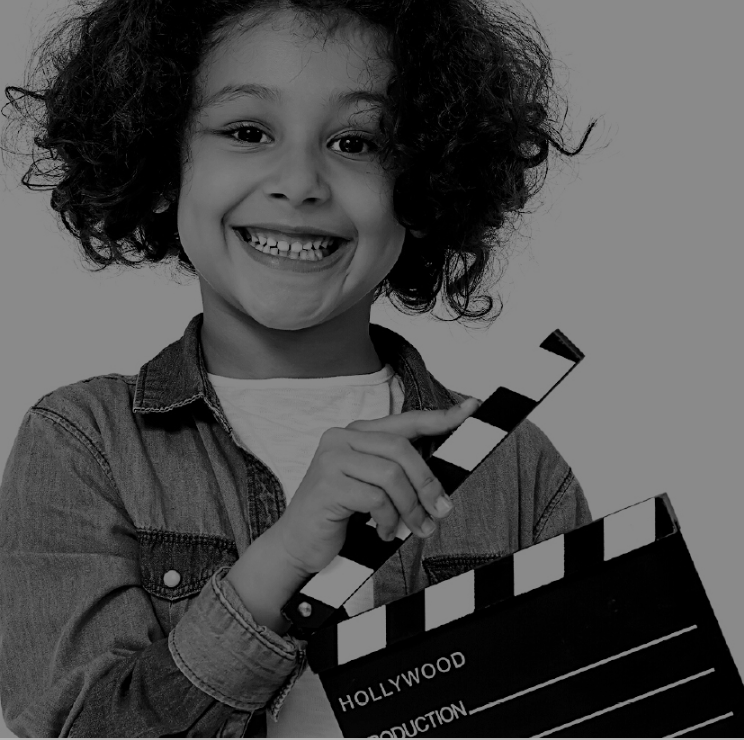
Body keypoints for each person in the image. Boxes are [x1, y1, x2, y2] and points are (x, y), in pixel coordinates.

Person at [0, 0, 599, 736]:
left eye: (357, 142)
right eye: (247, 132)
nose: (300, 182)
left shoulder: (516, 469)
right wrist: (276, 566)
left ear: (426, 184)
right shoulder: (83, 444)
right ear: (160, 164)